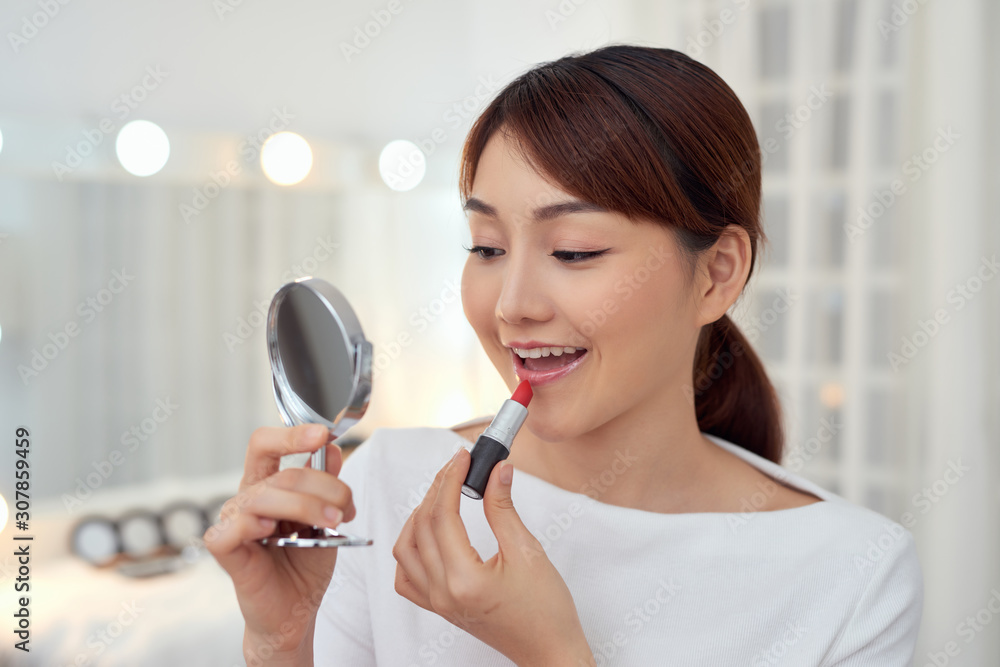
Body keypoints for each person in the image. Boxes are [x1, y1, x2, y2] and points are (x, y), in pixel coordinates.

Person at [205, 44, 923, 666]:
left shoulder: (854, 574)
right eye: (487, 247)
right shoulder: (385, 486)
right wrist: (280, 641)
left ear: (717, 274)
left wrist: (554, 653)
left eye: (575, 251)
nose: (512, 305)